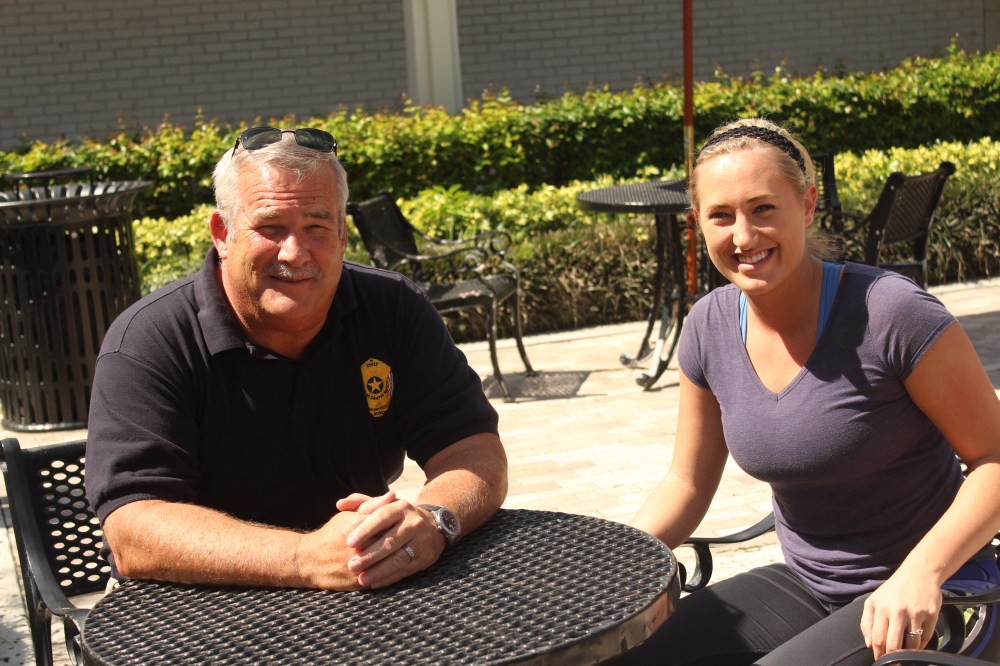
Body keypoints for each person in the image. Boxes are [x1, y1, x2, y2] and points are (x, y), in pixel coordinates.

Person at [612, 118, 1000, 665]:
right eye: (721, 216)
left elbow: (994, 458)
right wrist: (612, 563)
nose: (743, 237)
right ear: (697, 222)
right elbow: (686, 483)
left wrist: (923, 571)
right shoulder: (708, 326)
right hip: (808, 583)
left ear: (808, 203)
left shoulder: (892, 314)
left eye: (763, 208)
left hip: (938, 593)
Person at [85, 126, 507, 592]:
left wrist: (434, 519)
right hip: (193, 599)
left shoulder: (393, 308)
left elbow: (472, 447)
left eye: (317, 227)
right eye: (270, 227)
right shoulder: (149, 339)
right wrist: (304, 559)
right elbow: (133, 529)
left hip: (358, 585)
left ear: (344, 235)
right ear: (222, 233)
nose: (295, 252)